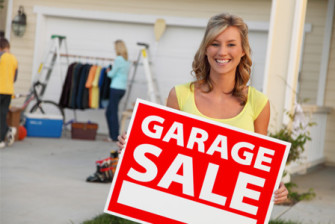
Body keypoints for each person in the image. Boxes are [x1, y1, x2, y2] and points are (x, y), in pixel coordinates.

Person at [117, 13, 288, 204]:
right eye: (215, 43)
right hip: (182, 208)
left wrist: (275, 187)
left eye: (231, 44)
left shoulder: (258, 102)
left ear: (242, 52)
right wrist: (133, 147)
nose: (222, 52)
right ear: (205, 49)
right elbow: (162, 158)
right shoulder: (180, 95)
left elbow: (259, 169)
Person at [105, 40, 130, 142]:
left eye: (115, 47)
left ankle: (114, 136)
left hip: (115, 88)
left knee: (112, 112)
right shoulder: (126, 61)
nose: (114, 49)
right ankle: (113, 135)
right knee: (110, 112)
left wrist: (108, 71)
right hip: (122, 89)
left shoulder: (118, 59)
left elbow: (111, 74)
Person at [0, 37, 18, 149]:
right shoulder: (14, 59)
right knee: (2, 115)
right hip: (8, 91)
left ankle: (4, 134)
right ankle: (4, 135)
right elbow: (15, 77)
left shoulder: (1, 56)